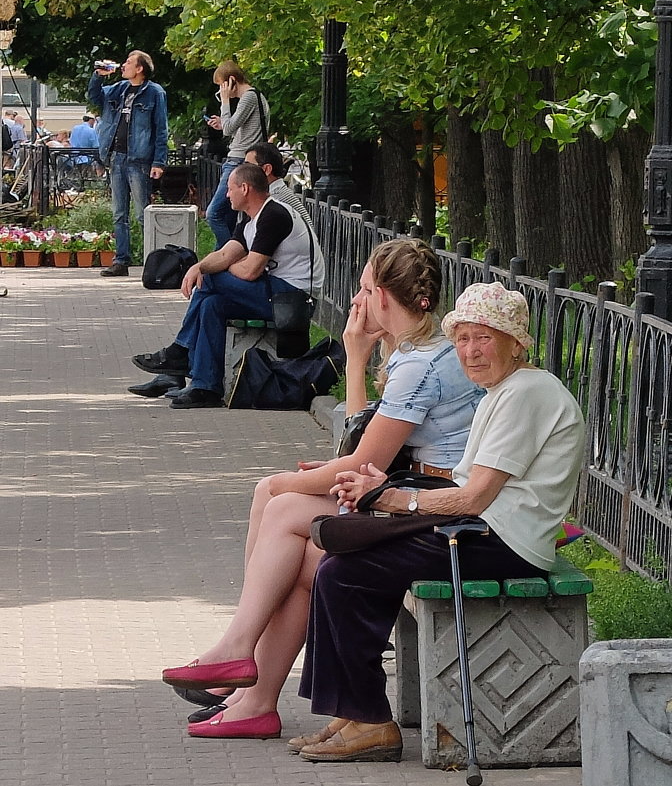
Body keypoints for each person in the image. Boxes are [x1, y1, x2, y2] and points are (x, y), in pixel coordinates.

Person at [160, 239, 484, 740]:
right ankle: (251, 691)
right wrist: (360, 361)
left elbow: (360, 458)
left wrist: (354, 361)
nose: (356, 300)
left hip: (437, 505)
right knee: (295, 555)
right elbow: (364, 445)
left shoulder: (420, 365)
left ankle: (243, 667)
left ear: (382, 298)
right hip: (415, 491)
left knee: (281, 501)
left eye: (363, 288)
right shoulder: (417, 354)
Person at [295, 283, 582, 762]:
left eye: (484, 338)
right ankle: (353, 713)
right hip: (487, 530)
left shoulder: (526, 393)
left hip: (505, 542)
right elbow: (469, 482)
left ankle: (370, 722)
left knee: (345, 573)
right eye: (463, 339)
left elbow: (473, 498)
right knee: (341, 565)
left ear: (516, 342)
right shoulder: (504, 389)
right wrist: (386, 486)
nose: (471, 351)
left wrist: (393, 500)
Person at [129, 163, 322, 408]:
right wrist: (198, 267)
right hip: (275, 293)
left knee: (212, 279)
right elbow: (224, 255)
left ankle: (180, 351)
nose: (227, 194)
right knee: (212, 303)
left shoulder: (274, 214)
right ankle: (205, 387)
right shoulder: (251, 218)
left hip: (293, 299)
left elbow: (250, 271)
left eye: (230, 189)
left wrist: (216, 269)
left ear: (245, 188)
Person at [88, 50, 169, 277]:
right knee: (119, 213)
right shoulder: (118, 89)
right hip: (116, 157)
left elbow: (161, 129)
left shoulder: (154, 93)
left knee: (143, 213)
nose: (124, 65)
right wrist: (98, 75)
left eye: (129, 62)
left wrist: (159, 161)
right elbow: (94, 98)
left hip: (139, 160)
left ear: (140, 68)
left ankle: (152, 263)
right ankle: (121, 261)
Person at [205, 61, 270, 247]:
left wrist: (225, 103)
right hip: (242, 157)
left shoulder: (249, 97)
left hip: (238, 160)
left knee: (214, 213)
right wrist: (223, 123)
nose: (221, 92)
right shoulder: (254, 97)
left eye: (221, 86)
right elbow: (237, 128)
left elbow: (229, 129)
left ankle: (230, 254)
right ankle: (224, 258)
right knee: (229, 217)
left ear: (231, 81)